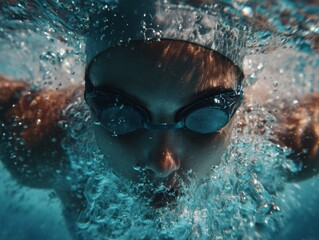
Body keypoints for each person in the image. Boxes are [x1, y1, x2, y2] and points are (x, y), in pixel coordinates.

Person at [0, 0, 318, 238]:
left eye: (205, 117)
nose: (162, 163)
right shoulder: (41, 143)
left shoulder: (294, 141)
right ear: (88, 103)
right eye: (120, 116)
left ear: (238, 109)